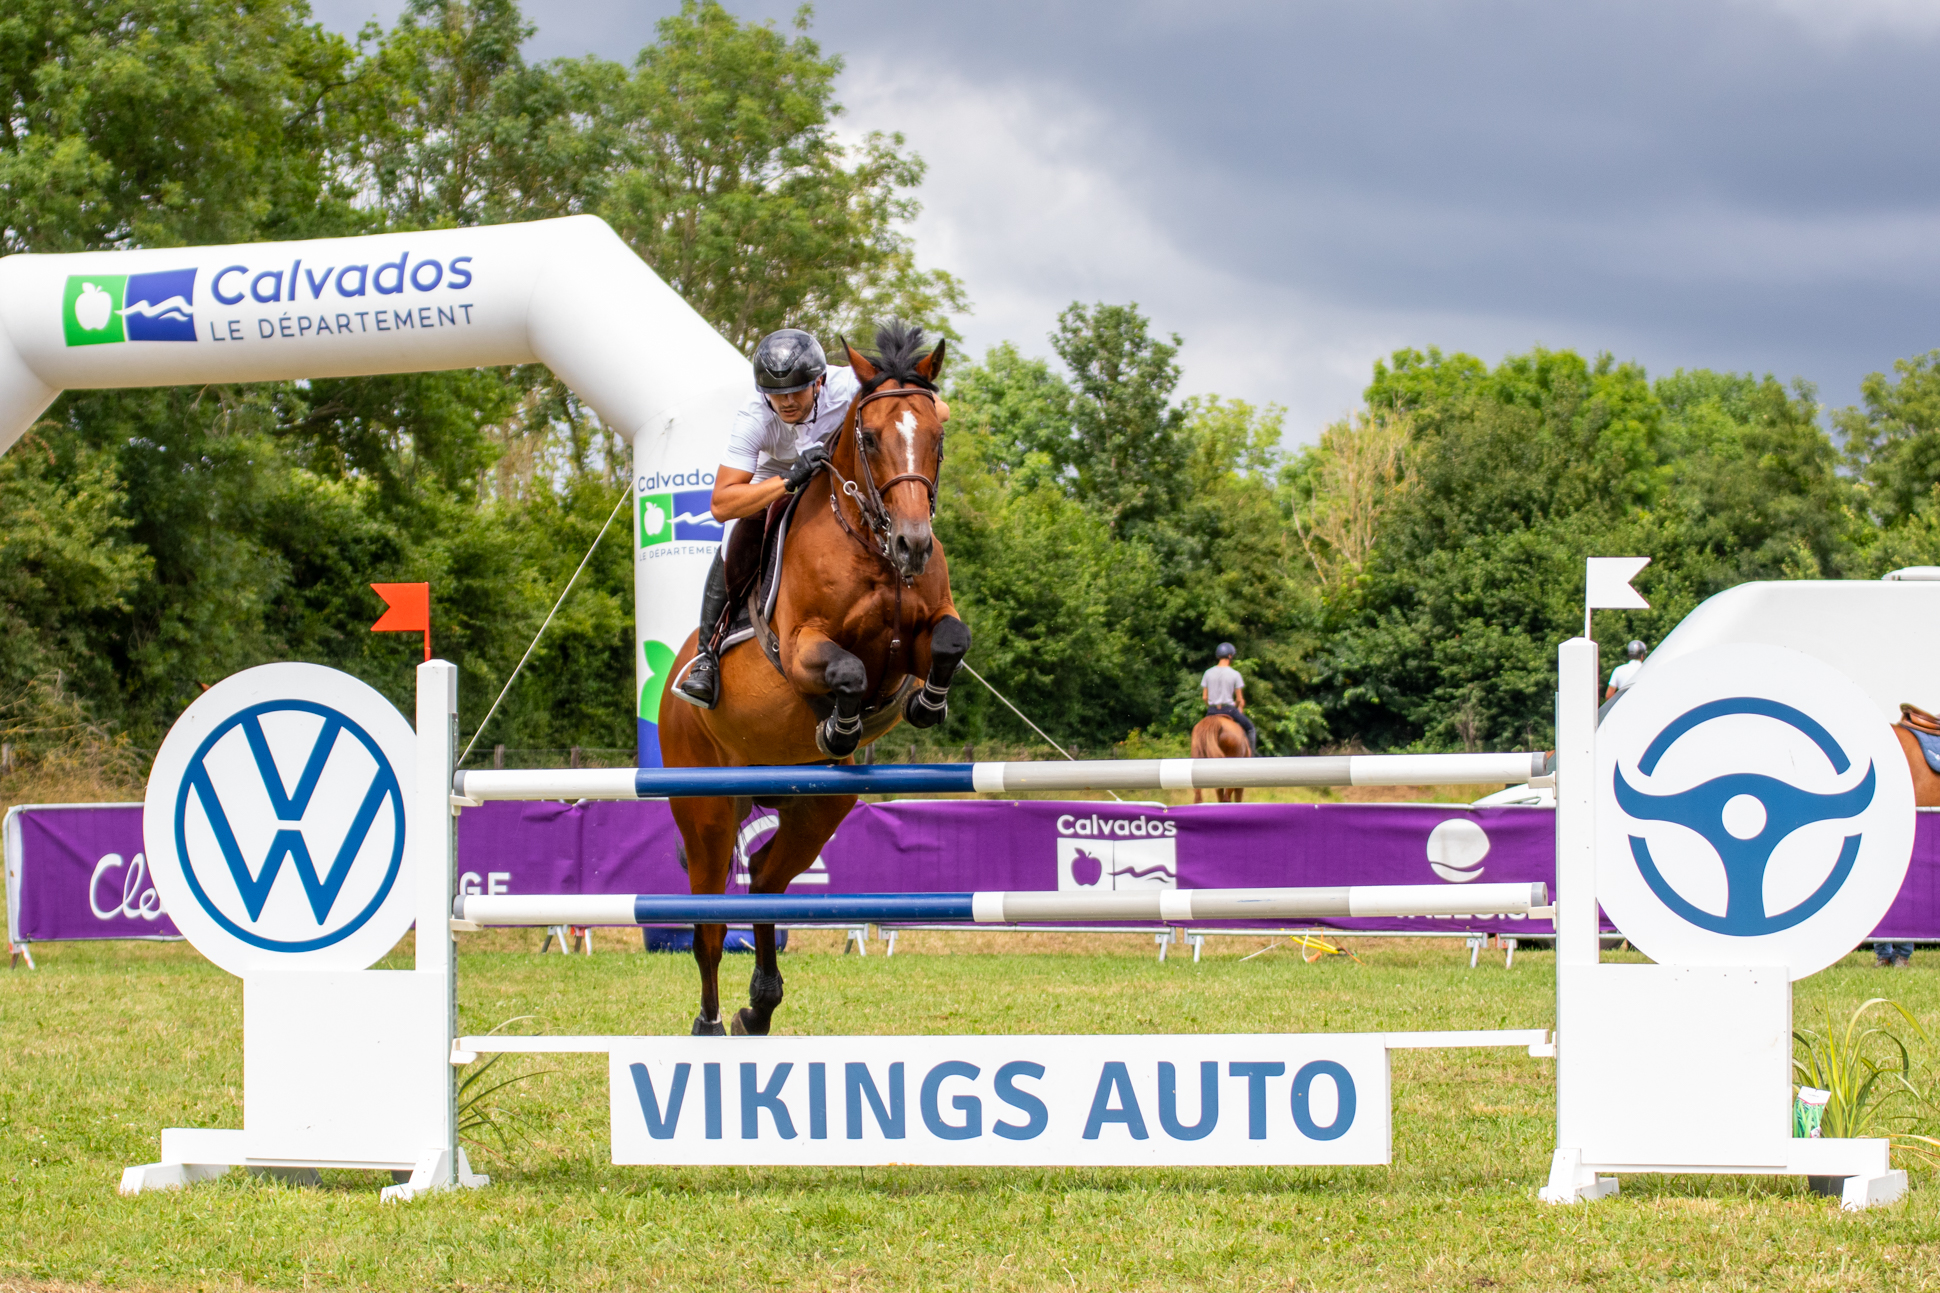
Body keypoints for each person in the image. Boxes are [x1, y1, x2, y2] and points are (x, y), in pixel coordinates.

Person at [670, 327, 949, 709]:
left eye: (796, 391)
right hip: (776, 474)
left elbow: (937, 411)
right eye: (776, 394)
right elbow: (721, 504)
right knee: (735, 531)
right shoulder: (754, 416)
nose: (786, 402)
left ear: (819, 382)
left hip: (838, 468)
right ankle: (708, 653)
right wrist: (787, 480)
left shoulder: (848, 385)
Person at [1201, 644, 1257, 756]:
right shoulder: (1235, 674)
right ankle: (1252, 757)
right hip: (1229, 710)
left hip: (1212, 711)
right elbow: (1239, 699)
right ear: (1230, 656)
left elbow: (1204, 697)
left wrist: (1210, 706)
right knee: (1250, 729)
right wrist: (1237, 705)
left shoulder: (1208, 673)